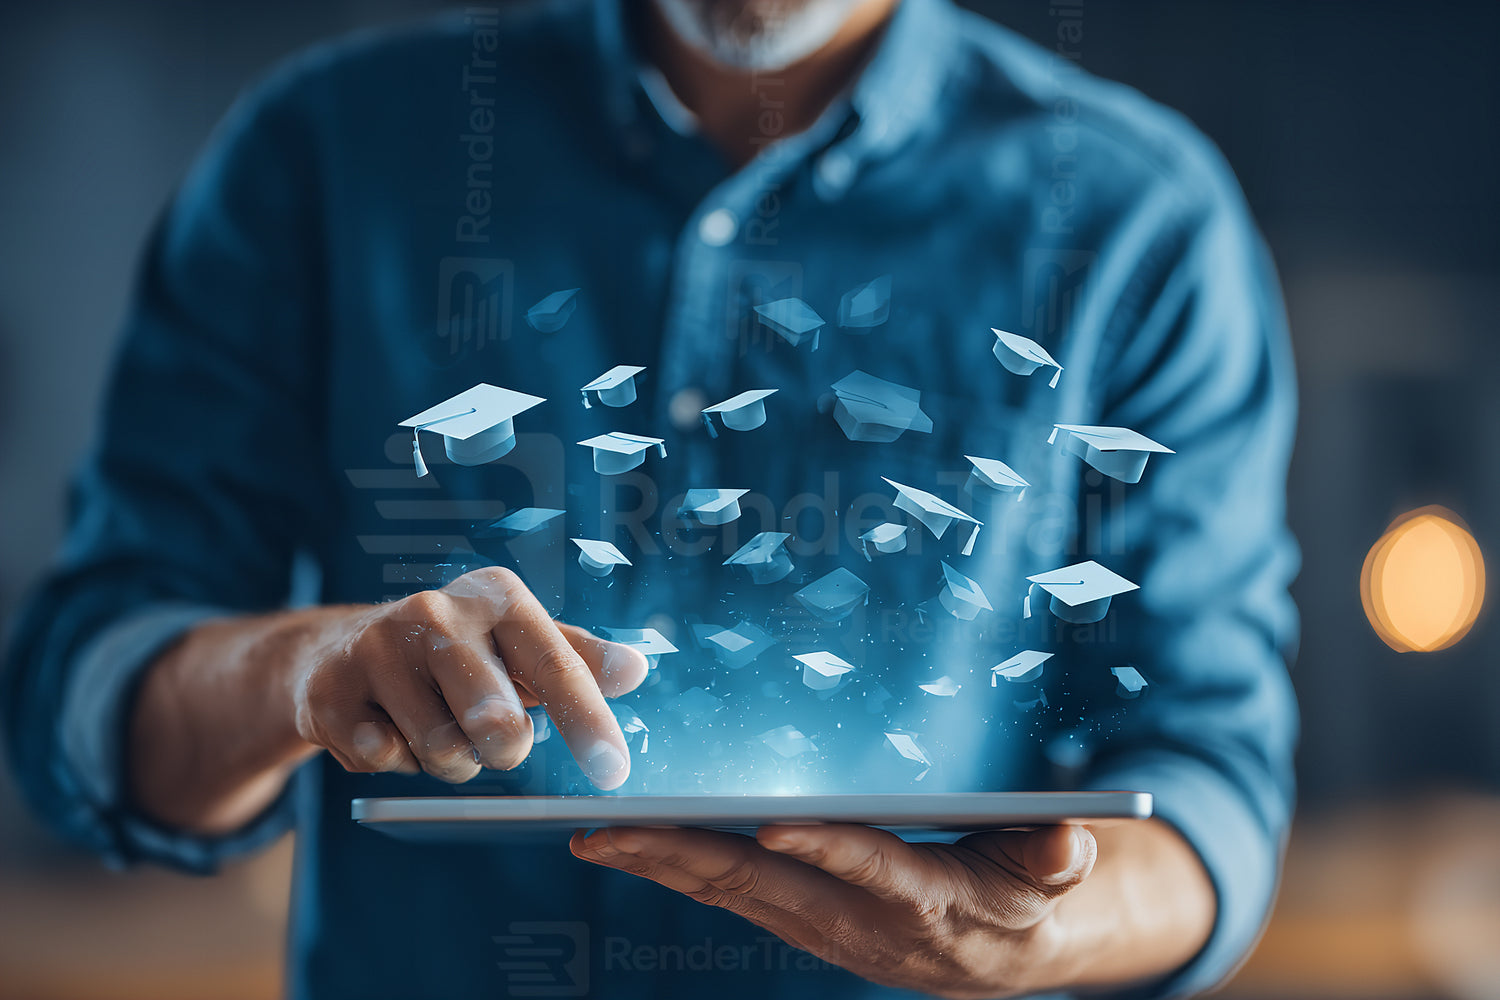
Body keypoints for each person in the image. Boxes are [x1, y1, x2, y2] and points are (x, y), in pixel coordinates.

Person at [2, 0, 1299, 997]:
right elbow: (87, 692)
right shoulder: (325, 151)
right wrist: (301, 666)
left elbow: (1212, 778)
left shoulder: (1140, 218)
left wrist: (1045, 934)